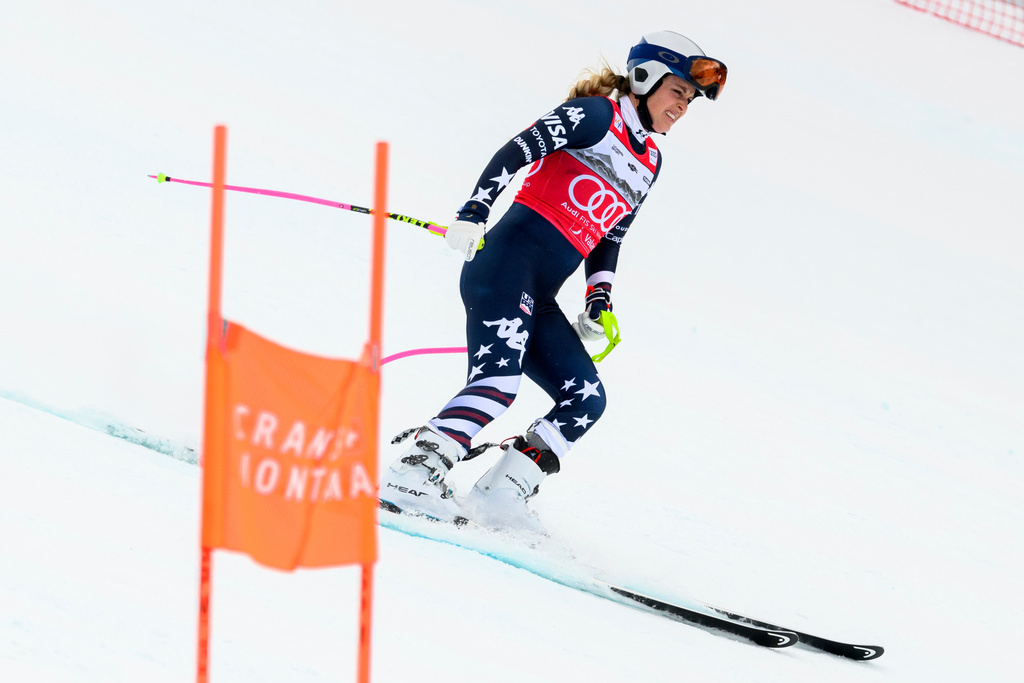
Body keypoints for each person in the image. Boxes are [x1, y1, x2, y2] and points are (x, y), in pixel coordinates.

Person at [380, 31, 727, 531]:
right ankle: (410, 474)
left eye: (689, 101)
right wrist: (474, 211)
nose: (682, 108)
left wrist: (597, 299)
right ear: (646, 78)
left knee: (586, 398)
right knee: (499, 383)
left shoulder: (650, 162)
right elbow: (516, 150)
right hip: (502, 268)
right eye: (678, 93)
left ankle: (498, 497)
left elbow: (612, 235)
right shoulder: (596, 116)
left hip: (539, 295)